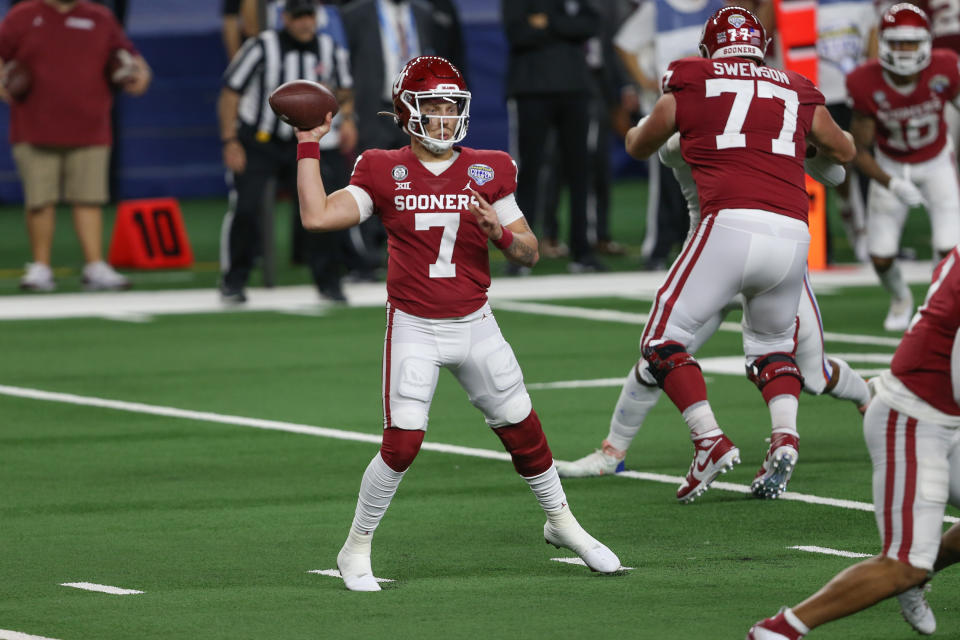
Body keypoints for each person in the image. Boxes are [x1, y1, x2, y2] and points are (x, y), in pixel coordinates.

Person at [295, 55, 621, 590]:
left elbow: (529, 252)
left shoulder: (489, 168)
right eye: (433, 106)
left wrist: (499, 232)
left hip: (476, 322)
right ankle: (355, 546)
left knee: (524, 431)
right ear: (407, 112)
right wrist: (310, 143)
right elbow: (316, 216)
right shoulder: (381, 167)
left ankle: (562, 522)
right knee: (401, 445)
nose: (445, 118)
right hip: (415, 325)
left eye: (452, 107)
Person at [618, 6, 855, 503]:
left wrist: (637, 128)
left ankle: (708, 438)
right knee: (772, 348)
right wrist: (809, 149)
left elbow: (641, 146)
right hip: (793, 233)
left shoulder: (692, 77)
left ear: (710, 50)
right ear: (761, 47)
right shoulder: (793, 85)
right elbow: (844, 151)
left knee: (661, 343)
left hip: (728, 224)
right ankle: (785, 437)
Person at [556, 132, 872, 489]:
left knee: (813, 374)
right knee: (659, 359)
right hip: (730, 258)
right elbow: (664, 147)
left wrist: (806, 146)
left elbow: (835, 168)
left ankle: (866, 398)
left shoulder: (741, 115)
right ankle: (614, 452)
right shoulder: (715, 123)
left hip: (729, 259)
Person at [747, 245, 960, 639]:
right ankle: (778, 631)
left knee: (912, 565)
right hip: (914, 420)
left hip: (943, 413)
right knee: (902, 564)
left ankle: (918, 576)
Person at [0, 0, 150, 292]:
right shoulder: (23, 16)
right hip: (35, 125)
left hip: (90, 125)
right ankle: (41, 267)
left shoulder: (100, 17)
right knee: (40, 200)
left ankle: (95, 266)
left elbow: (132, 58)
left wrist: (140, 76)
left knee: (89, 198)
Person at [218, 0, 355, 303]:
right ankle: (234, 280)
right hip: (260, 140)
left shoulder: (330, 48)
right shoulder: (261, 46)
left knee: (324, 207)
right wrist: (230, 140)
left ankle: (329, 281)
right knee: (246, 206)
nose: (305, 23)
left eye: (309, 16)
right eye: (298, 17)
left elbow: (345, 89)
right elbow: (230, 91)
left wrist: (339, 108)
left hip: (305, 141)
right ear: (285, 18)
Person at [846, 3, 960, 331]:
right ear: (883, 43)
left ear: (927, 41)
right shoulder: (864, 81)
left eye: (911, 42)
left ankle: (935, 307)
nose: (905, 50)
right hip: (891, 164)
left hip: (937, 159)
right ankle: (900, 297)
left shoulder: (946, 68)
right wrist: (891, 182)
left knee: (948, 247)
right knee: (880, 256)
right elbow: (858, 150)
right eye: (897, 42)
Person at [502, 0, 606, 273]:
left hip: (574, 88)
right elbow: (517, 35)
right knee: (529, 172)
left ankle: (582, 251)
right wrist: (566, 28)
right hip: (532, 89)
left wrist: (547, 22)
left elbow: (591, 25)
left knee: (579, 172)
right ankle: (521, 253)